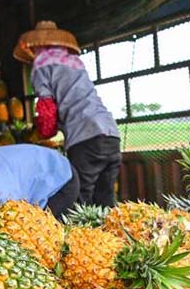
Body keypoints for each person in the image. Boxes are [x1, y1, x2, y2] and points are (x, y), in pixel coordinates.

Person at [14, 20, 121, 207]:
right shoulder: (75, 62)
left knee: (78, 199)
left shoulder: (41, 63)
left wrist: (43, 133)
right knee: (105, 198)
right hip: (111, 133)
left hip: (84, 137)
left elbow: (47, 109)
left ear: (37, 45)